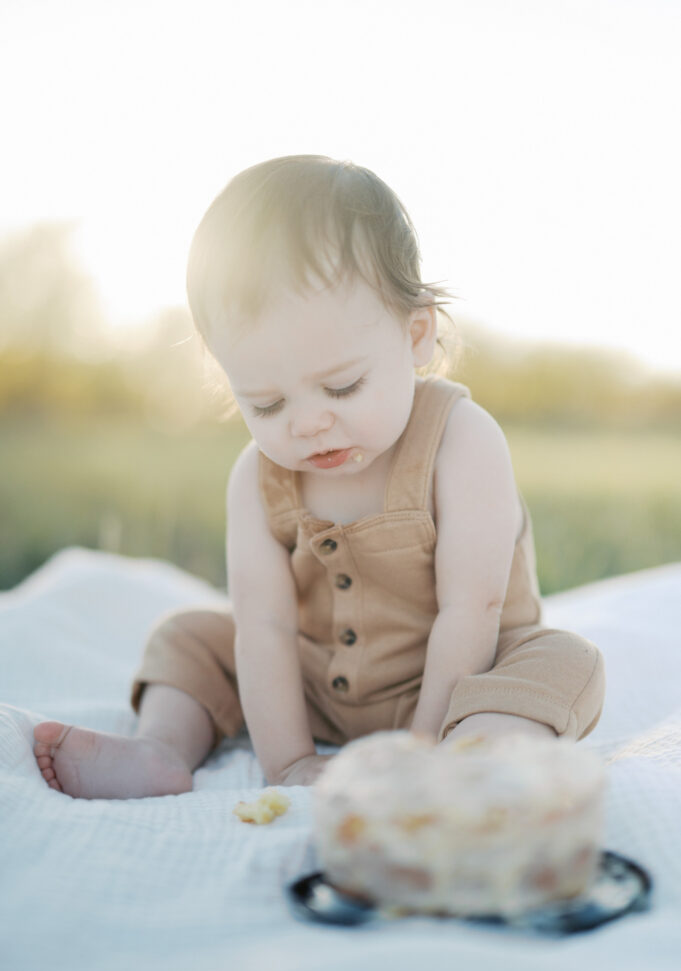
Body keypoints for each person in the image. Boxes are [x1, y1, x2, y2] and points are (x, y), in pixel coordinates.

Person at [33, 155, 605, 799]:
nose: (307, 425)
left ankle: (471, 758)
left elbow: (475, 607)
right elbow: (265, 627)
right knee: (191, 637)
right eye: (266, 404)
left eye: (341, 386)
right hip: (317, 686)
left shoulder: (461, 440)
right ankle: (161, 750)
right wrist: (290, 763)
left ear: (416, 335)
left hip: (465, 681)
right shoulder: (256, 477)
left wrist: (418, 750)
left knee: (564, 662)